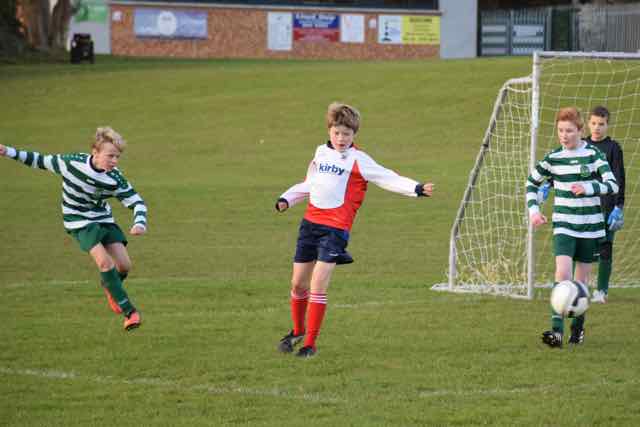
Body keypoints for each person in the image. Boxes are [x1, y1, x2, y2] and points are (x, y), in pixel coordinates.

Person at [275, 102, 434, 358]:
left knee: (317, 285)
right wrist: (287, 198)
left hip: (335, 230)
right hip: (309, 225)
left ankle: (310, 345)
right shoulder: (320, 153)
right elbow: (310, 183)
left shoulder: (358, 159)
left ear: (354, 134)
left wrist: (416, 188)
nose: (341, 138)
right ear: (329, 131)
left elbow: (387, 177)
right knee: (298, 284)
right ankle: (297, 331)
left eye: (346, 134)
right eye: (337, 133)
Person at [0, 127, 147, 331]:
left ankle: (110, 286)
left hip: (102, 217)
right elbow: (40, 160)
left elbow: (137, 202)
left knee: (124, 266)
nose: (114, 161)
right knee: (104, 263)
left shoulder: (115, 178)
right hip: (78, 220)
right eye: (110, 156)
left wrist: (139, 223)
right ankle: (130, 313)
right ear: (95, 152)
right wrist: (7, 151)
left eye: (117, 157)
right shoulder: (71, 163)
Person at [527, 107, 618, 348]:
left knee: (580, 282)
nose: (564, 136)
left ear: (580, 130)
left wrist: (588, 188)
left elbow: (612, 185)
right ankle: (556, 332)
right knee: (562, 274)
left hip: (590, 227)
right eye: (560, 131)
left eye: (569, 131)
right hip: (564, 225)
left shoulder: (594, 155)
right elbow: (531, 183)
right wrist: (534, 211)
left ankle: (577, 330)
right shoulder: (554, 157)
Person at [584, 106, 625, 304]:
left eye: (601, 124)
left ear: (607, 125)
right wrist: (548, 184)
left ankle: (601, 291)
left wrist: (619, 206)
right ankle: (578, 287)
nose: (597, 128)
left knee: (605, 249)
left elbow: (619, 178)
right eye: (593, 123)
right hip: (584, 206)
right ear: (588, 123)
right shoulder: (581, 145)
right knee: (582, 249)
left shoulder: (613, 148)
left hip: (607, 207)